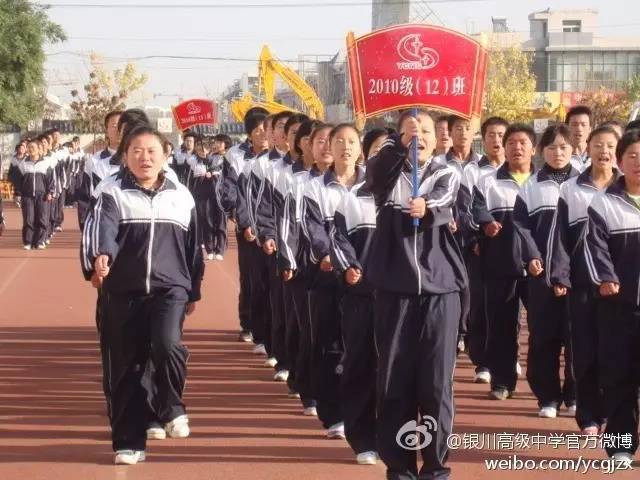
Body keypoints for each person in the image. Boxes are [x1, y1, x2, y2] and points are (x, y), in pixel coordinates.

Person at [83, 125, 204, 465]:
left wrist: (194, 287)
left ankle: (170, 405)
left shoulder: (181, 196)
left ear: (167, 155)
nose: (144, 157)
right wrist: (101, 255)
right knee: (126, 367)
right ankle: (128, 441)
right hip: (124, 290)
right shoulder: (112, 191)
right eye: (136, 150)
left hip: (170, 288)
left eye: (151, 150)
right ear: (125, 155)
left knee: (167, 345)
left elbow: (194, 247)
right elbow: (100, 227)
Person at [366, 110, 466, 480]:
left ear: (438, 139)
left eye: (426, 131)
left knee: (437, 385)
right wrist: (396, 147)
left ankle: (436, 468)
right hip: (395, 293)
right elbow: (374, 175)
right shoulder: (386, 175)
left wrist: (425, 207)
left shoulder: (447, 172)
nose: (419, 137)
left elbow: (443, 200)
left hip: (441, 292)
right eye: (411, 131)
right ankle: (401, 468)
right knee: (395, 382)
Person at [550, 125, 620, 435]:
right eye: (598, 145)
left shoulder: (627, 188)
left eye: (610, 146)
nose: (604, 151)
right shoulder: (571, 190)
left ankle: (615, 411)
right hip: (581, 284)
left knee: (617, 350)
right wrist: (560, 274)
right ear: (587, 149)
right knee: (585, 350)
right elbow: (560, 239)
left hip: (621, 285)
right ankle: (589, 415)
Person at [303, 123, 366, 441]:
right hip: (327, 277)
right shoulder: (314, 188)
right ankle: (333, 413)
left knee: (363, 346)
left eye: (350, 141)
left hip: (365, 281)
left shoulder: (375, 186)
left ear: (360, 147)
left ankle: (362, 410)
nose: (343, 146)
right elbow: (314, 230)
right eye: (337, 140)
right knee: (329, 345)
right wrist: (333, 259)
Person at [513, 124, 580, 418]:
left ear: (575, 149)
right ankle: (548, 398)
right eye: (551, 147)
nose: (558, 153)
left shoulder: (583, 185)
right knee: (543, 337)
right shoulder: (531, 186)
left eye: (564, 147)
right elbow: (521, 226)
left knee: (578, 337)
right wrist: (532, 256)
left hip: (579, 277)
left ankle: (576, 394)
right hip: (541, 275)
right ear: (541, 152)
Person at [584, 129, 640, 467]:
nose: (639, 161)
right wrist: (605, 278)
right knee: (619, 377)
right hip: (619, 308)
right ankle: (621, 443)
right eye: (632, 155)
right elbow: (594, 247)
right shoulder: (604, 202)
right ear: (619, 162)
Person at [471, 124, 535, 400]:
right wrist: (485, 223)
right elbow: (475, 208)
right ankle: (502, 380)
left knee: (544, 327)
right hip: (501, 263)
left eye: (522, 142)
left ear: (534, 148)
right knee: (501, 325)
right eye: (511, 142)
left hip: (538, 267)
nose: (516, 147)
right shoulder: (488, 181)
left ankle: (549, 389)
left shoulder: (543, 183)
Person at [329, 127, 378, 465]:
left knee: (397, 368)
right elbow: (338, 239)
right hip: (361, 295)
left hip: (401, 296)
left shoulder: (413, 197)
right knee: (360, 362)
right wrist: (350, 268)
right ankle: (362, 438)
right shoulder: (354, 197)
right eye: (378, 151)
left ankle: (395, 433)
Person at [279, 121, 331, 417]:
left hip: (344, 270)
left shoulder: (356, 186)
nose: (325, 147)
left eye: (330, 141)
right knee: (310, 330)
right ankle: (310, 389)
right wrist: (288, 260)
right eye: (319, 141)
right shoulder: (299, 183)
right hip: (306, 268)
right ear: (307, 145)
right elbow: (288, 225)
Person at [463, 116, 509, 384]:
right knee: (480, 304)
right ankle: (481, 360)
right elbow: (466, 207)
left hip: (511, 251)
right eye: (491, 134)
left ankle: (506, 357)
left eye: (501, 134)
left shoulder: (519, 170)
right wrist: (475, 237)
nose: (496, 140)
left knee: (508, 309)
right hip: (481, 248)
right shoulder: (473, 171)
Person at [220, 107, 270, 344]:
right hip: (248, 229)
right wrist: (244, 221)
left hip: (273, 230)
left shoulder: (277, 157)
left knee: (272, 279)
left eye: (266, 129)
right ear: (250, 134)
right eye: (258, 130)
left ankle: (269, 328)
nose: (263, 134)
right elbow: (229, 191)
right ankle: (248, 323)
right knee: (251, 277)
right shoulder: (235, 156)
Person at [566, 105, 592, 172]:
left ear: (590, 129)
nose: (579, 129)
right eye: (574, 125)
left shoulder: (597, 154)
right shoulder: (561, 155)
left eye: (583, 125)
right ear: (566, 128)